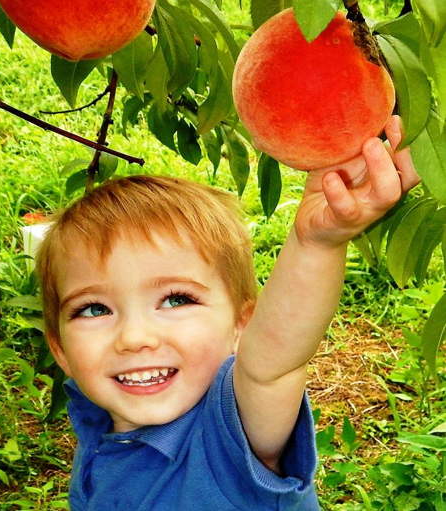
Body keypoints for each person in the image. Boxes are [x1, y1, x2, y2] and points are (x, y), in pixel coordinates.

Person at [35, 115, 419, 510]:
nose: (134, 337)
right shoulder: (98, 428)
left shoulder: (229, 435)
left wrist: (318, 243)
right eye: (94, 309)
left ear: (242, 325)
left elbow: (273, 362)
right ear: (60, 349)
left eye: (176, 300)